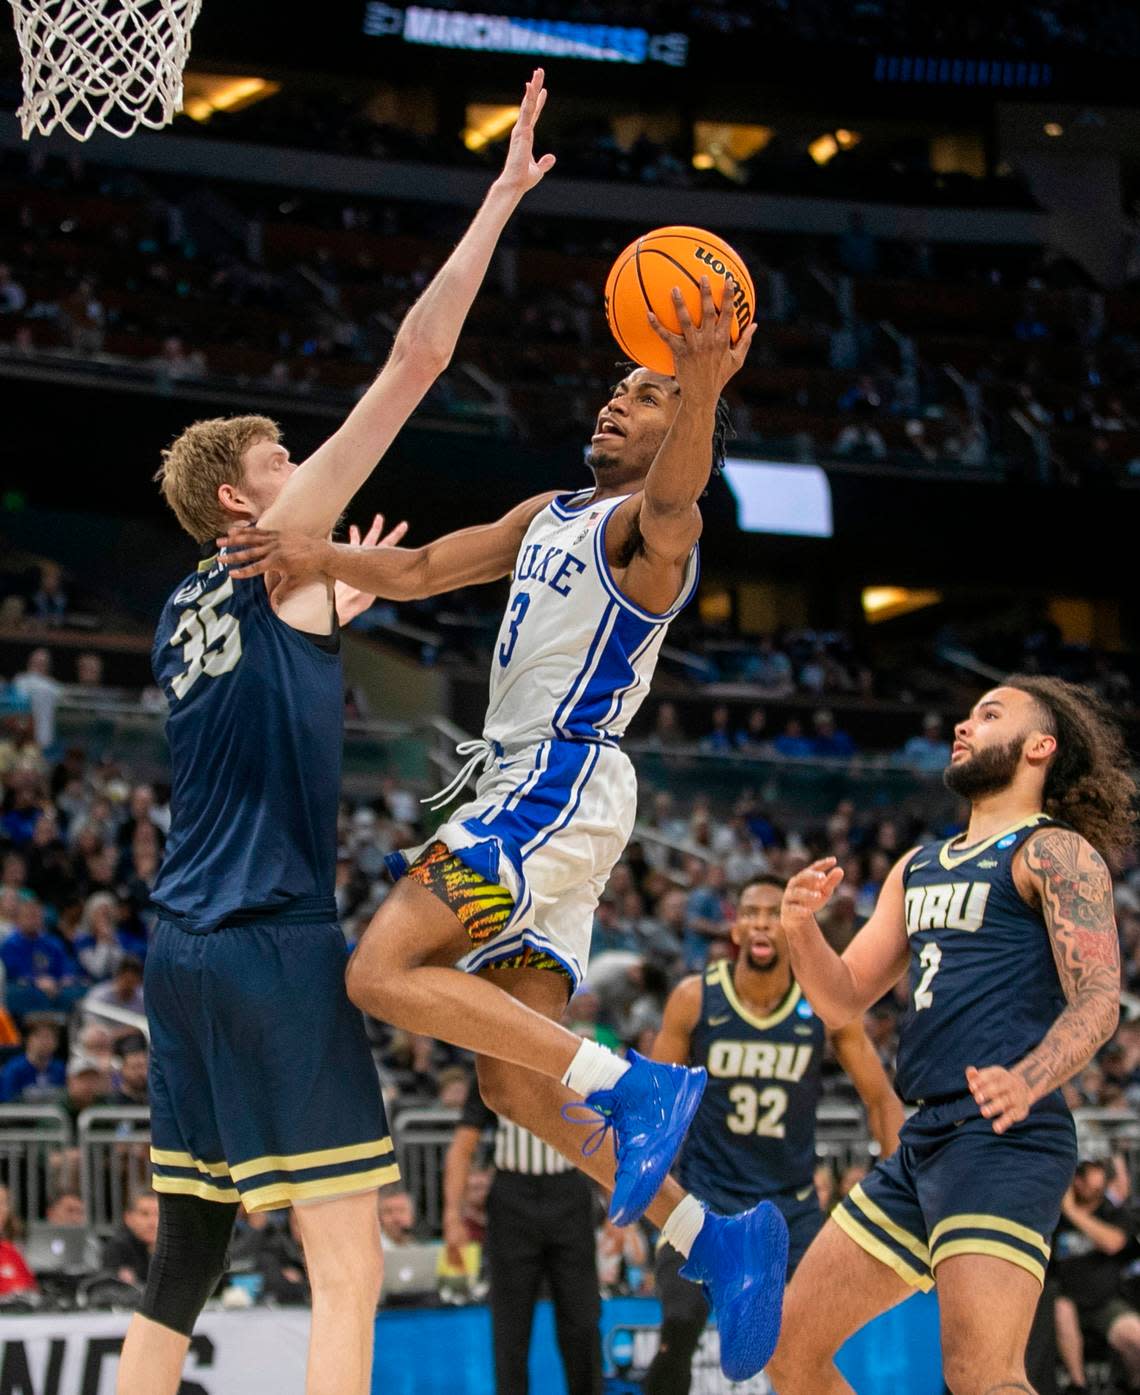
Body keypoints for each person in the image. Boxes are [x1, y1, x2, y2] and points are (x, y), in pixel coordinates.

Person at [220, 269, 787, 1380]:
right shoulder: (548, 515)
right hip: (535, 800)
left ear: (685, 429)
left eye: (646, 396)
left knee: (380, 972)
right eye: (616, 389)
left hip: (556, 782)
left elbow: (681, 499)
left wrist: (705, 387)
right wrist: (319, 557)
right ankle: (713, 1237)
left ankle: (639, 1085)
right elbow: (428, 567)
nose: (615, 403)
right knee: (512, 1079)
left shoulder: (648, 535)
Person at [115, 71, 557, 1395]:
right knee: (349, 1261)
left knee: (183, 1257)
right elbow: (416, 359)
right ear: (249, 499)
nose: (305, 466)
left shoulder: (188, 600)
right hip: (269, 942)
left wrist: (348, 586)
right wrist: (500, 196)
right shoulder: (268, 555)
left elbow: (297, 636)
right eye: (287, 462)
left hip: (179, 953)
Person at [768, 676, 1132, 1395]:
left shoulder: (1053, 852)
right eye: (966, 714)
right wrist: (799, 930)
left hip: (1005, 1136)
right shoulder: (919, 865)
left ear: (1039, 747)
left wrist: (1028, 1077)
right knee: (788, 1350)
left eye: (988, 715)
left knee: (981, 1375)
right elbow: (841, 999)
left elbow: (1099, 997)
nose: (964, 725)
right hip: (924, 1139)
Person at [645, 874, 903, 1395]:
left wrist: (906, 1188)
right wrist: (628, 1199)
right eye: (750, 912)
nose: (761, 922)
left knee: (802, 1348)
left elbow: (881, 1098)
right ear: (736, 929)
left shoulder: (823, 1006)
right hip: (703, 1200)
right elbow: (652, 1105)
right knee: (679, 1324)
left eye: (772, 913)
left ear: (789, 929)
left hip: (789, 1207)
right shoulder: (695, 999)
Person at [444, 1079, 602, 1395]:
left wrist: (618, 1211)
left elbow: (605, 1137)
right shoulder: (492, 1065)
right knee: (510, 1328)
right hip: (512, 1199)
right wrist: (451, 1215)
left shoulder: (575, 1062)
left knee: (582, 1323)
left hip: (569, 1195)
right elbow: (463, 1145)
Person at [1053, 1157, 1140, 1389]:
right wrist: (1066, 1209)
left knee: (1135, 1336)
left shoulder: (1113, 1213)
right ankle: (1078, 1385)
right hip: (1066, 1302)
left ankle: (1133, 1385)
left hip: (1104, 1302)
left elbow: (1113, 1243)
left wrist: (1072, 1211)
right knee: (1062, 1308)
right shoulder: (1055, 1217)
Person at [103, 1191, 160, 1288]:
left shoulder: (170, 1249)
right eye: (144, 1214)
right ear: (128, 1218)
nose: (153, 1222)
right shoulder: (118, 1248)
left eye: (158, 1215)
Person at [0, 1018, 64, 1103]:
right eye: (40, 1037)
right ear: (27, 1040)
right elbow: (7, 1101)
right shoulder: (13, 1070)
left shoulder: (60, 1069)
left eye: (50, 1037)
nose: (45, 1042)